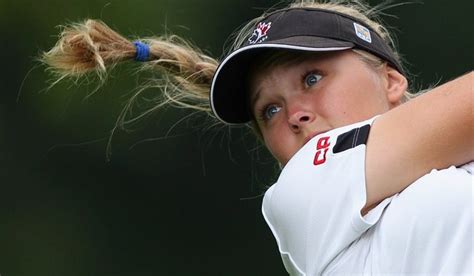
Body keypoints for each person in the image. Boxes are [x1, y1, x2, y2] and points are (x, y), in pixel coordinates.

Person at [41, 0, 472, 274]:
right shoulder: (307, 189)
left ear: (391, 80)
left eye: (312, 77)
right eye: (269, 110)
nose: (295, 115)